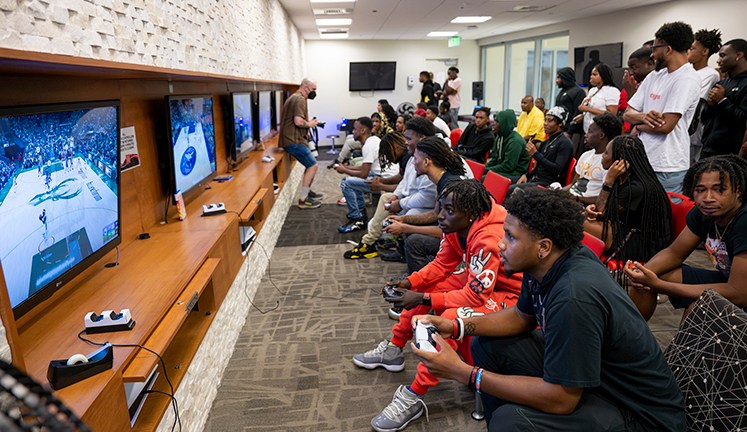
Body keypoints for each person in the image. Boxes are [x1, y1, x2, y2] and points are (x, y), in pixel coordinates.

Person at [411, 187, 687, 432]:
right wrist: (458, 325)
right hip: (599, 383)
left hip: (640, 415)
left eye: (510, 236)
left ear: (543, 247)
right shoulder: (546, 262)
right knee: (487, 345)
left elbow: (562, 400)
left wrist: (465, 373)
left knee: (513, 421)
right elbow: (521, 317)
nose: (500, 244)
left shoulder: (574, 297)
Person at [354, 179, 522, 432]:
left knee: (451, 318)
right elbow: (442, 265)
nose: (440, 216)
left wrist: (422, 300)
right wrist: (410, 282)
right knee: (422, 288)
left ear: (470, 214)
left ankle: (414, 395)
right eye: (439, 208)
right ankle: (393, 349)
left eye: (449, 211)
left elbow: (476, 297)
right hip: (483, 283)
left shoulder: (488, 237)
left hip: (510, 295)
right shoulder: (457, 225)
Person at [625, 155, 747, 321]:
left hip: (741, 291)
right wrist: (644, 272)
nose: (708, 198)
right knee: (645, 280)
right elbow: (675, 252)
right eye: (701, 190)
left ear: (738, 190)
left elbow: (739, 293)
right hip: (729, 281)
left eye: (719, 189)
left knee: (701, 306)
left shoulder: (743, 221)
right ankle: (633, 338)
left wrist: (660, 285)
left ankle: (682, 348)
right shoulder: (703, 213)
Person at [623, 21, 701, 194]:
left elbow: (665, 126)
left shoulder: (687, 79)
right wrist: (644, 118)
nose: (652, 55)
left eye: (655, 48)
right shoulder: (654, 76)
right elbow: (627, 113)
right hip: (642, 159)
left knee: (661, 218)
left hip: (667, 165)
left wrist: (638, 125)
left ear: (668, 49)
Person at [343, 120, 436, 260]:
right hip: (419, 200)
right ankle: (370, 242)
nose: (406, 143)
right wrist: (396, 196)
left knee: (409, 213)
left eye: (409, 138)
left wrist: (399, 202)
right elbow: (405, 181)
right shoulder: (415, 155)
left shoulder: (431, 157)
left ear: (422, 138)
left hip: (432, 207)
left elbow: (427, 196)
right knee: (386, 198)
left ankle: (402, 252)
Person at [583, 135, 672, 272]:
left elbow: (602, 212)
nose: (602, 156)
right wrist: (591, 210)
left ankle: (586, 269)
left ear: (619, 161)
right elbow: (600, 211)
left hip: (644, 244)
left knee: (576, 222)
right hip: (626, 229)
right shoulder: (624, 179)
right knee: (578, 218)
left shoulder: (635, 188)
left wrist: (608, 181)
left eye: (606, 153)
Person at [334, 117, 397, 233]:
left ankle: (357, 219)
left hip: (386, 180)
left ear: (362, 131)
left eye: (355, 129)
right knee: (352, 179)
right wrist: (345, 167)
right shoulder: (374, 140)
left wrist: (344, 170)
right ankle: (360, 215)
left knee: (345, 183)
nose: (353, 131)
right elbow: (364, 167)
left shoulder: (368, 146)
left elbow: (363, 173)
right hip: (382, 175)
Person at [279, 78, 323, 209]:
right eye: (313, 89)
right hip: (294, 141)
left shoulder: (295, 97)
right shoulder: (300, 99)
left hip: (294, 138)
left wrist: (307, 129)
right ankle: (303, 199)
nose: (314, 92)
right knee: (313, 166)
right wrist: (310, 124)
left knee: (311, 165)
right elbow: (298, 121)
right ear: (305, 87)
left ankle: (307, 192)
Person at [508, 106, 573, 195]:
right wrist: (526, 175)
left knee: (508, 191)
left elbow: (557, 169)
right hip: (536, 179)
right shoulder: (546, 142)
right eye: (545, 120)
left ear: (560, 124)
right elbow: (538, 168)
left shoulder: (565, 143)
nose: (545, 123)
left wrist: (536, 154)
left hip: (548, 184)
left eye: (550, 121)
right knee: (504, 182)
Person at [700, 39, 747, 158]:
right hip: (708, 148)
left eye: (723, 56)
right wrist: (710, 105)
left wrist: (722, 101)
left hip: (729, 154)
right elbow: (705, 119)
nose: (718, 60)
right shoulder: (722, 83)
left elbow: (743, 119)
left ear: (738, 55)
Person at [567, 112, 622, 204]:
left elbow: (605, 197)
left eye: (590, 131)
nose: (585, 135)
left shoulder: (609, 162)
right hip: (571, 200)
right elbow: (573, 185)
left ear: (601, 136)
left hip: (585, 205)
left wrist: (577, 199)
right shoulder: (585, 155)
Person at [687, 28, 722, 164]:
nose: (688, 51)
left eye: (692, 48)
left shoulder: (710, 74)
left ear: (705, 52)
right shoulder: (688, 71)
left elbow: (696, 101)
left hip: (695, 133)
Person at [482, 109, 530, 183]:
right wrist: (482, 168)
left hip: (515, 174)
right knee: (478, 175)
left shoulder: (515, 141)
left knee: (484, 179)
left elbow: (508, 167)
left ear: (505, 124)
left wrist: (486, 170)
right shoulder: (499, 137)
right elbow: (495, 159)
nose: (493, 123)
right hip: (504, 170)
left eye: (497, 121)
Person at [572, 62, 620, 134]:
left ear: (603, 76)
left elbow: (611, 115)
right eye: (591, 74)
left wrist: (587, 109)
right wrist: (583, 115)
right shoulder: (592, 90)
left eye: (595, 74)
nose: (591, 76)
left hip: (603, 133)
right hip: (588, 132)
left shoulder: (612, 91)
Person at [554, 67, 586, 133]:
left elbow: (577, 112)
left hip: (572, 132)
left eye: (558, 78)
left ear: (565, 78)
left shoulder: (578, 91)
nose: (556, 81)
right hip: (560, 129)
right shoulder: (562, 91)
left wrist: (570, 132)